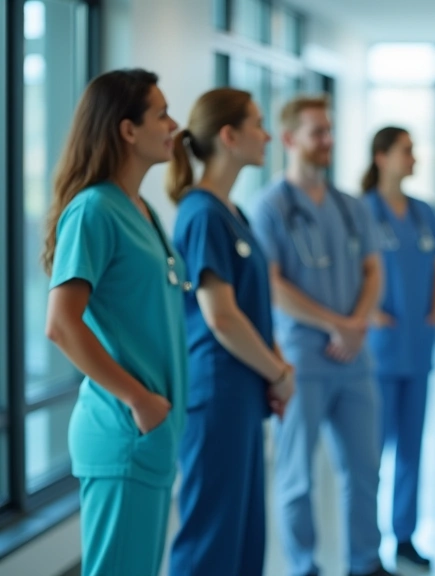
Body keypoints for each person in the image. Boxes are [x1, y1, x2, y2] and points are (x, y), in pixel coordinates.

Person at [42, 69, 186, 576]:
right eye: (162, 113)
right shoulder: (94, 210)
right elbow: (61, 324)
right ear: (127, 129)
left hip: (151, 431)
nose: (174, 125)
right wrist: (138, 399)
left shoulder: (142, 210)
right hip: (123, 428)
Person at [250, 96, 391, 576]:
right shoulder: (269, 207)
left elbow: (374, 270)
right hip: (301, 362)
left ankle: (365, 563)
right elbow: (271, 285)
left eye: (330, 131)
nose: (328, 141)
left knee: (364, 471)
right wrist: (337, 325)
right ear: (290, 139)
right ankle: (303, 567)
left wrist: (356, 325)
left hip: (355, 360)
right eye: (317, 132)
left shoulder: (350, 207)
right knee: (296, 477)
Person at [166, 88, 294, 575]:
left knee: (242, 536)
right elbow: (220, 317)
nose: (266, 136)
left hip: (242, 391)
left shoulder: (232, 213)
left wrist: (275, 370)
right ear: (228, 135)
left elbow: (251, 308)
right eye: (258, 125)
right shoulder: (201, 214)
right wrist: (279, 372)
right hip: (217, 394)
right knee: (210, 538)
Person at [362, 126, 435, 568]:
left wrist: (434, 308)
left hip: (417, 349)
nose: (413, 158)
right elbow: (348, 271)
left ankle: (404, 535)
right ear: (382, 157)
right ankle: (368, 541)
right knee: (372, 452)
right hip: (379, 351)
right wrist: (369, 312)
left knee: (413, 450)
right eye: (406, 151)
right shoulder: (362, 211)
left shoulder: (421, 212)